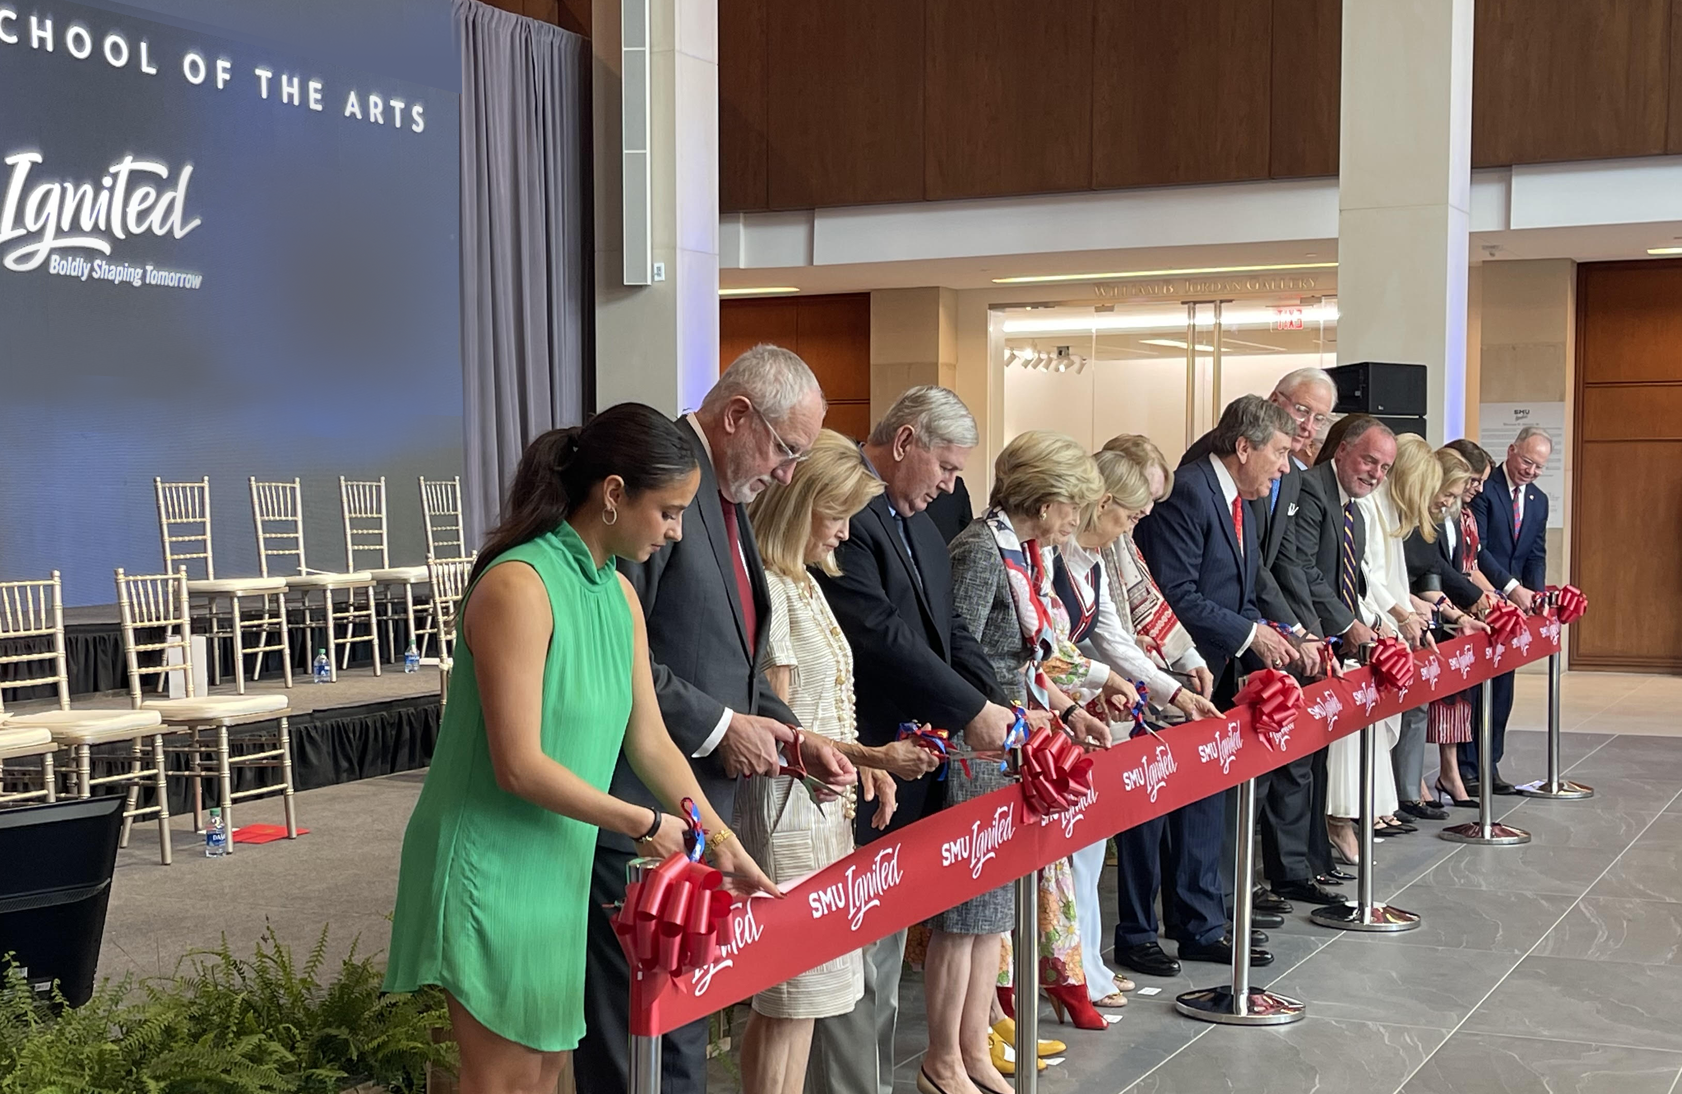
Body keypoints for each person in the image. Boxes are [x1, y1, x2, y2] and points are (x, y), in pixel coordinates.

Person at [385, 405, 778, 1094]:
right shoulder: (518, 584)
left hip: (556, 863)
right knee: (503, 1082)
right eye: (668, 511)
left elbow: (652, 743)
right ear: (614, 493)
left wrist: (720, 840)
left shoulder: (619, 596)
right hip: (490, 863)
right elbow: (518, 765)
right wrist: (647, 824)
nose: (677, 531)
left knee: (543, 1077)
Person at [577, 347, 856, 1094]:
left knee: (681, 1036)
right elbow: (619, 658)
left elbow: (737, 664)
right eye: (787, 450)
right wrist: (720, 728)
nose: (790, 474)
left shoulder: (727, 504)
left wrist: (798, 741)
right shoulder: (657, 490)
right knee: (641, 1049)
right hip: (632, 811)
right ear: (737, 416)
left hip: (697, 818)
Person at [808, 387, 1018, 1094]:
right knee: (852, 963)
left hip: (915, 769)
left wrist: (991, 701)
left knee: (886, 954)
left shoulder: (922, 522)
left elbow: (952, 631)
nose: (952, 486)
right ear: (903, 443)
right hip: (863, 762)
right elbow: (879, 635)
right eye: (947, 467)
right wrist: (969, 710)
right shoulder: (847, 516)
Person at [738, 430, 930, 1094]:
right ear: (800, 505)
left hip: (822, 812)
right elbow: (782, 729)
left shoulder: (804, 580)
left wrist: (865, 763)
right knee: (789, 1004)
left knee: (808, 1005)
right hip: (787, 818)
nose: (846, 533)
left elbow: (824, 715)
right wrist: (871, 754)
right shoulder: (772, 583)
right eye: (837, 515)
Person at [943, 430, 1117, 1093]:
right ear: (1045, 501)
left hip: (1016, 736)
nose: (1076, 519)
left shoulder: (1019, 551)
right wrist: (1012, 712)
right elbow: (962, 652)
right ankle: (960, 1049)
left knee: (994, 915)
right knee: (973, 913)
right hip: (981, 743)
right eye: (1072, 504)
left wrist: (1065, 710)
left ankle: (982, 1036)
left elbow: (1031, 653)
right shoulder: (981, 551)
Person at [1124, 395, 1297, 975]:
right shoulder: (1192, 491)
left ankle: (1201, 924)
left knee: (1204, 797)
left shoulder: (1245, 500)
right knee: (1150, 812)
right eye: (1278, 452)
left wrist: (1270, 634)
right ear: (1243, 448)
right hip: (1166, 674)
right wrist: (1250, 635)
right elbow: (1175, 592)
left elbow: (1241, 590)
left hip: (1215, 671)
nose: (1284, 465)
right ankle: (1138, 931)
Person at [1057, 447, 1221, 1010]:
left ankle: (1089, 965)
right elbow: (1052, 648)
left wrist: (1173, 690)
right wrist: (1109, 681)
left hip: (1096, 709)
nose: (1136, 527)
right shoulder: (1060, 552)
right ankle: (1072, 971)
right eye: (1130, 515)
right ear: (1101, 503)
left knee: (1088, 850)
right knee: (1072, 855)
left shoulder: (1098, 552)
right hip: (1062, 713)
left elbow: (1118, 638)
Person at [1182, 368, 1341, 911]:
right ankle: (1211, 903)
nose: (1309, 430)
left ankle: (1238, 889)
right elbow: (1188, 586)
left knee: (1259, 775)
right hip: (1200, 655)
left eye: (1321, 419)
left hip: (1244, 636)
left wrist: (1293, 631)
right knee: (1205, 801)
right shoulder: (1207, 472)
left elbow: (1264, 569)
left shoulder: (1285, 473)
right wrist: (1257, 633)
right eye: (1302, 413)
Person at [1299, 414, 1396, 862]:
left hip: (1338, 639)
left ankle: (1319, 852)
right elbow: (1304, 571)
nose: (1375, 475)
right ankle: (1309, 854)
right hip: (1307, 638)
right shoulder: (1313, 490)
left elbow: (1353, 576)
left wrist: (1369, 623)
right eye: (1368, 461)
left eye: (1384, 469)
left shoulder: (1352, 506)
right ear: (1342, 450)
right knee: (1304, 766)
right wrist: (1346, 625)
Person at [1343, 433, 1440, 839]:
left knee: (1386, 721)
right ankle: (1365, 808)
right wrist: (1399, 613)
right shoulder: (1367, 504)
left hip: (1392, 621)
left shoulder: (1388, 508)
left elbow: (1393, 576)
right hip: (1373, 622)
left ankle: (1379, 804)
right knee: (1370, 725)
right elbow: (1367, 576)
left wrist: (1408, 610)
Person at [1404, 446, 1496, 808]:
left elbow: (1447, 568)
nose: (1468, 494)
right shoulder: (1416, 518)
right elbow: (1431, 571)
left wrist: (1462, 612)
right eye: (1456, 490)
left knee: (1434, 707)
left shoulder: (1457, 515)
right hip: (1411, 620)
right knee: (1416, 710)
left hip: (1441, 612)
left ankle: (1423, 783)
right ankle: (1410, 788)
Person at [1467, 425, 1553, 794]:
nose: (1530, 471)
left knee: (1503, 688)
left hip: (1515, 611)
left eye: (1538, 467)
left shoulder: (1539, 500)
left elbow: (1535, 553)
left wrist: (1535, 597)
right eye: (1527, 461)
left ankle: (1491, 763)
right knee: (1476, 689)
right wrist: (1510, 588)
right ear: (1512, 450)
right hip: (1481, 599)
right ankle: (1468, 768)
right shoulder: (1486, 490)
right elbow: (1479, 550)